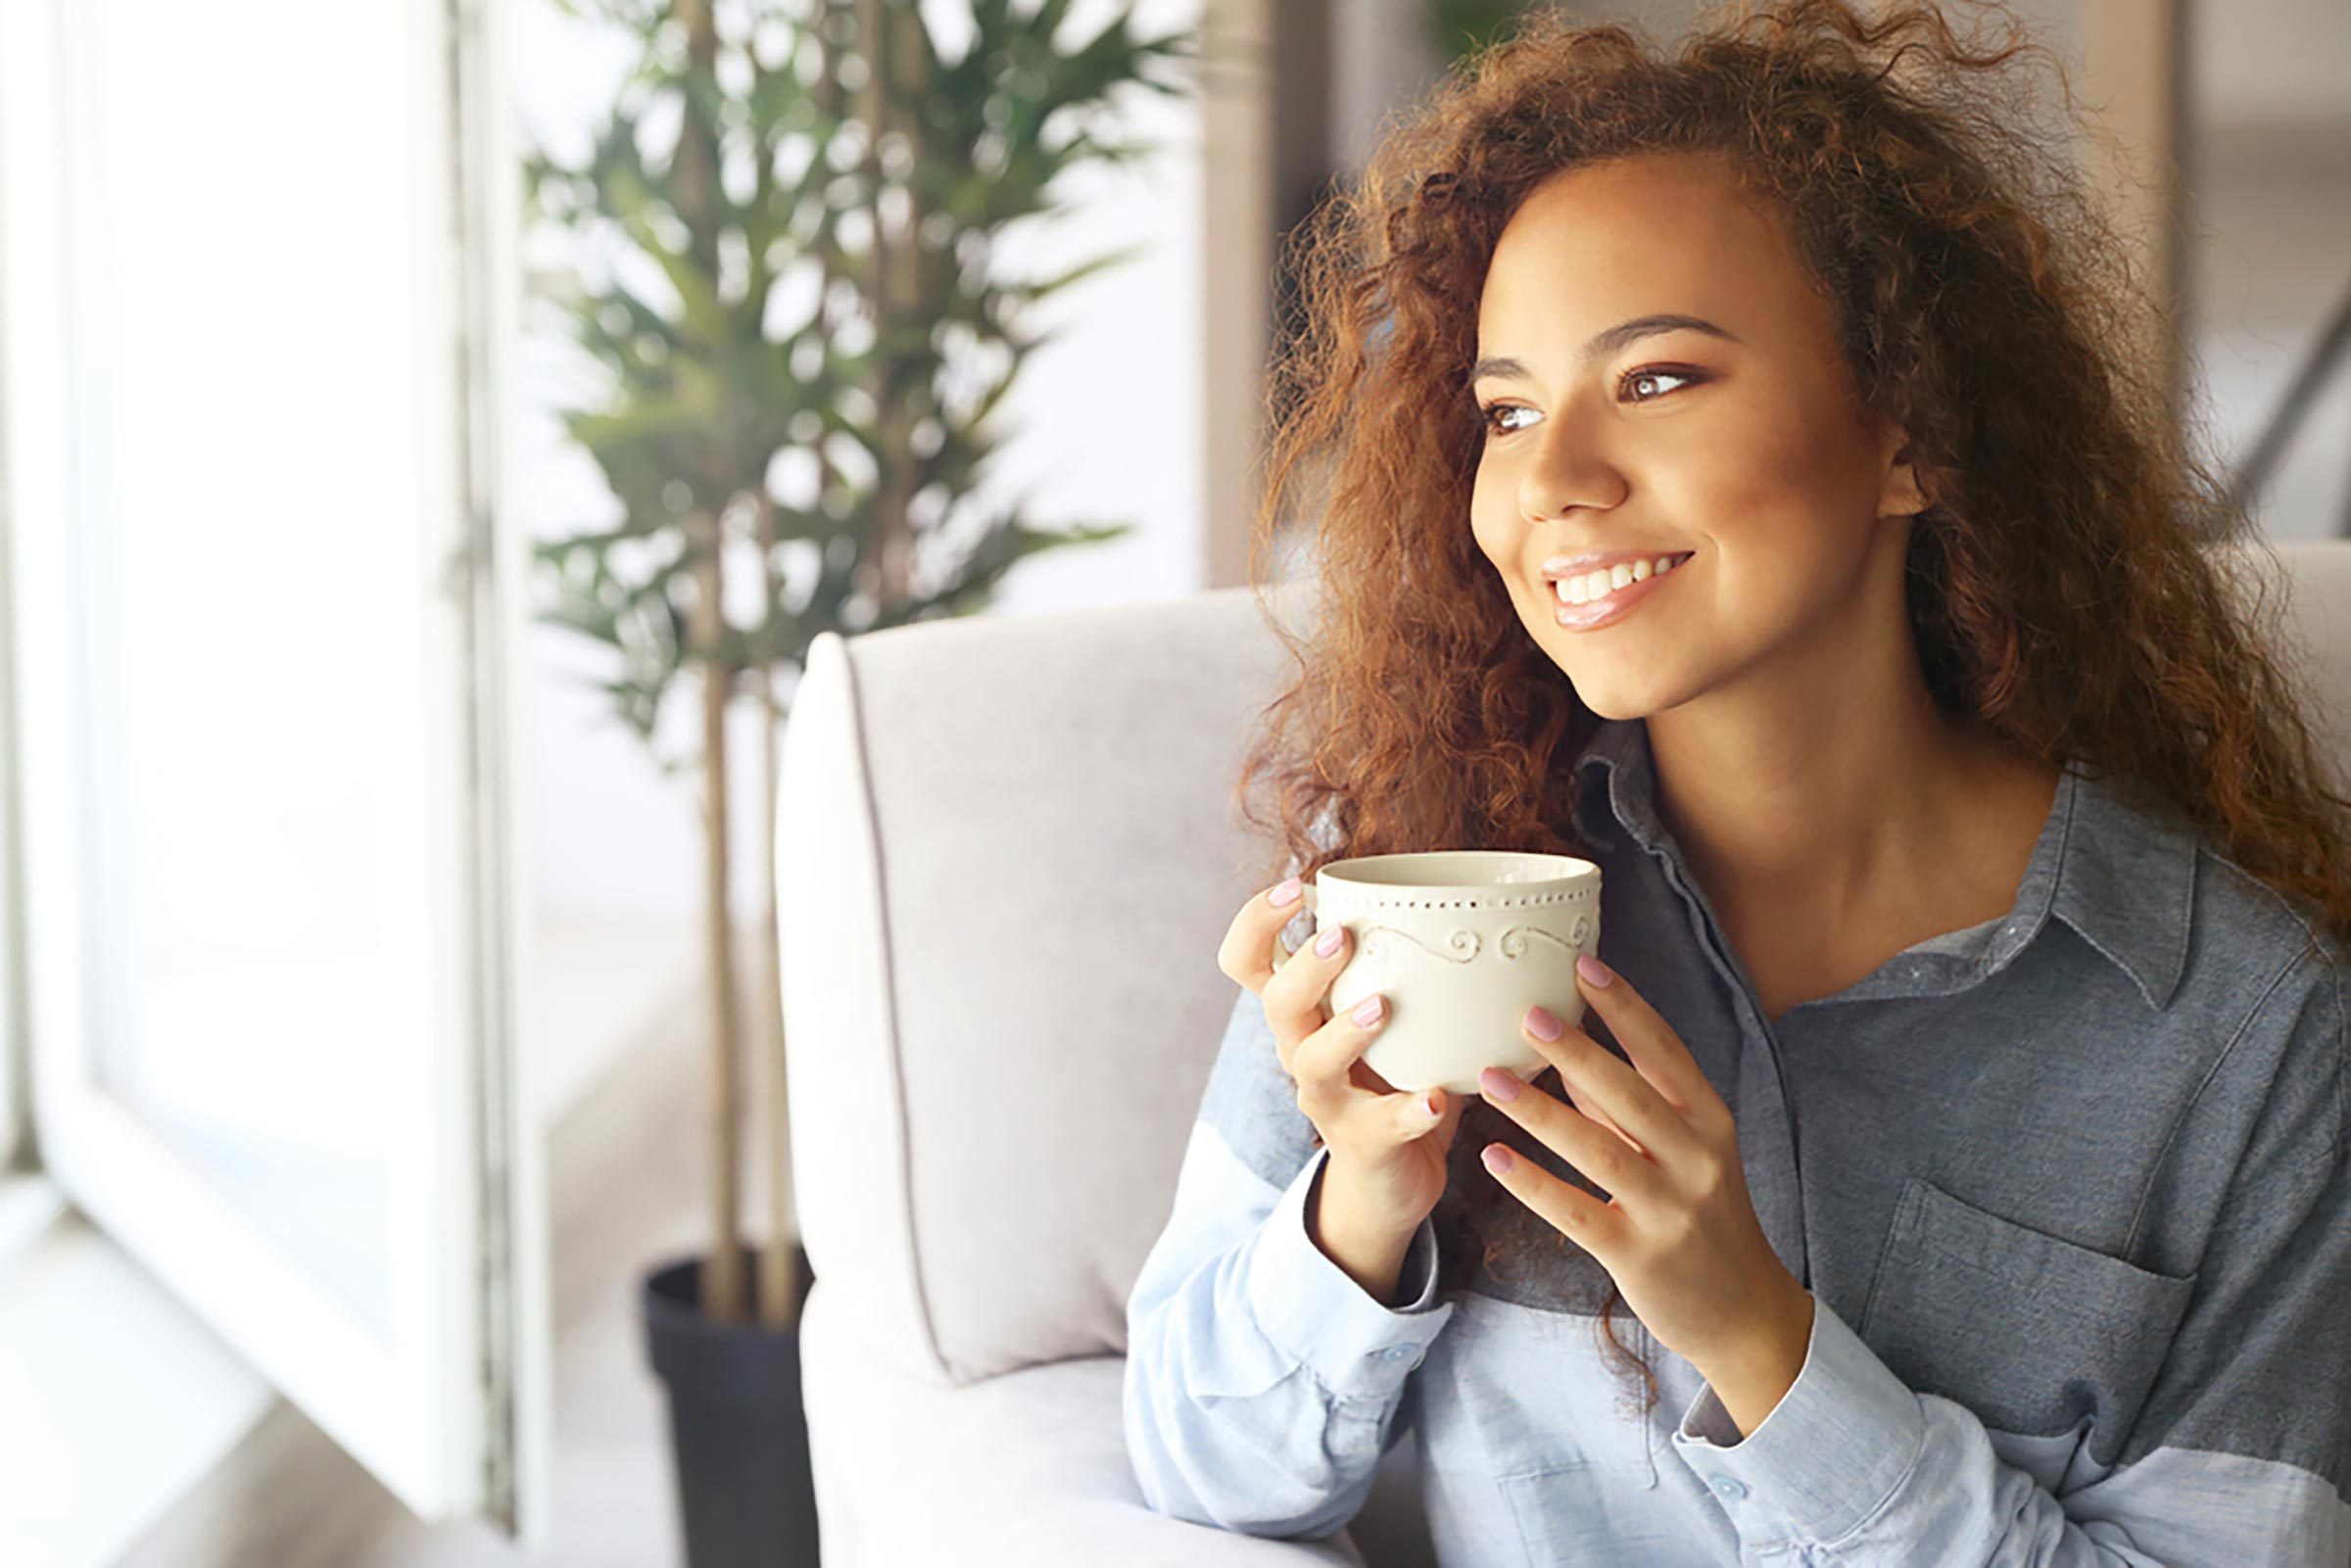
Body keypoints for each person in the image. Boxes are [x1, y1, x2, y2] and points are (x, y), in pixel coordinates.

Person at [1121, 1, 2351, 1563]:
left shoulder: (2245, 1038)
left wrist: (1764, 1345)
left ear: (1908, 435)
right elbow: (1193, 1466)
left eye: (1657, 381)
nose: (1551, 478)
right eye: (1506, 411)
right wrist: (1362, 1199)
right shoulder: (1421, 882)